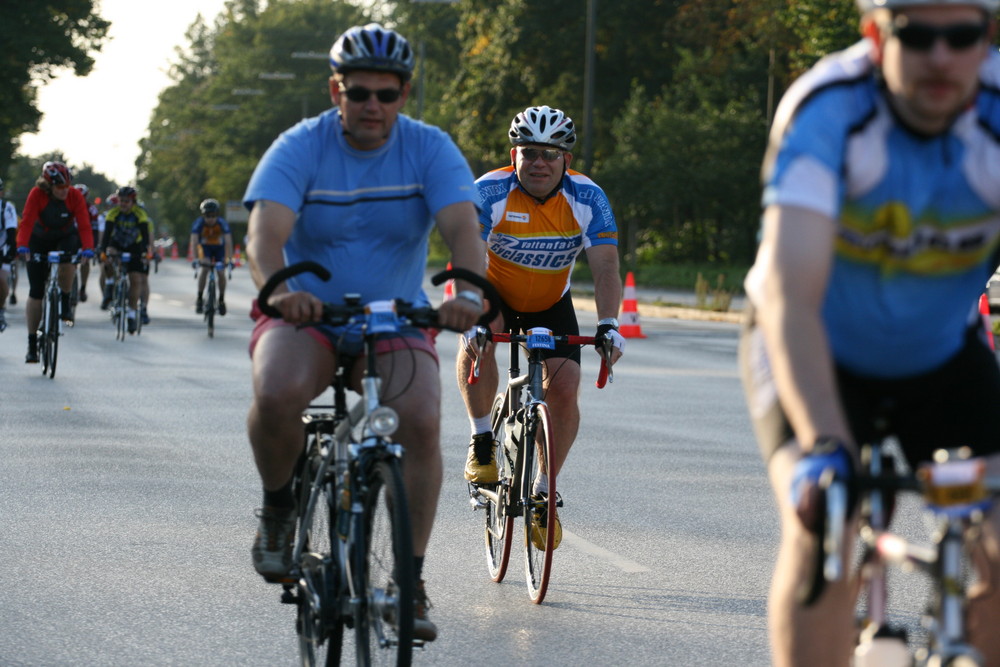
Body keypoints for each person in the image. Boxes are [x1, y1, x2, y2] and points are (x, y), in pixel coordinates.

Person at [738, 1, 1000, 665]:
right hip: (814, 346)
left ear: (987, 38)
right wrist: (825, 442)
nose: (940, 56)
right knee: (823, 525)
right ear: (874, 34)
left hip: (938, 352)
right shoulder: (829, 110)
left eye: (961, 34)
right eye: (917, 35)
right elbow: (788, 293)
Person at [242, 23, 485, 641]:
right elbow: (263, 239)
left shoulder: (429, 148)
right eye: (359, 93)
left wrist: (469, 294)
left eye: (387, 93)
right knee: (275, 394)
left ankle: (411, 576)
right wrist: (283, 293)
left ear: (404, 94)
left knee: (422, 418)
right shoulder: (300, 147)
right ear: (336, 92)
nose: (372, 105)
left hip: (395, 316)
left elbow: (463, 231)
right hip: (308, 314)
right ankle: (278, 504)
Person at [455, 105, 625, 550]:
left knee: (566, 386)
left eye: (550, 154)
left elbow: (606, 266)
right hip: (494, 292)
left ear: (566, 160)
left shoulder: (588, 198)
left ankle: (543, 493)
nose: (539, 163)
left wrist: (608, 324)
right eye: (529, 152)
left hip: (551, 302)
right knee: (480, 342)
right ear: (514, 156)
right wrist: (470, 312)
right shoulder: (488, 191)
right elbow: (466, 255)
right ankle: (482, 441)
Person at [15, 162, 94, 361]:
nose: (64, 191)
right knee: (36, 292)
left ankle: (66, 301)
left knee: (68, 263)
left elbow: (84, 224)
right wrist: (22, 245)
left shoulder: (74, 196)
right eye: (60, 188)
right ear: (48, 186)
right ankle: (32, 344)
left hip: (64, 236)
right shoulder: (36, 194)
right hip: (39, 238)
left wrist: (88, 249)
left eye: (67, 186)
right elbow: (26, 221)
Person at [100, 186, 153, 333]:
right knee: (108, 254)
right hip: (116, 243)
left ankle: (131, 314)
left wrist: (145, 253)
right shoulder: (113, 213)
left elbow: (145, 237)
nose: (123, 204)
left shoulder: (140, 214)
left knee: (135, 279)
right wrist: (103, 250)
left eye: (126, 201)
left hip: (134, 246)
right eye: (121, 201)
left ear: (133, 202)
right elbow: (107, 235)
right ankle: (110, 284)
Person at [189, 198, 233, 315]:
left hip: (219, 249)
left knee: (221, 273)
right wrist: (195, 259)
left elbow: (228, 242)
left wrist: (229, 259)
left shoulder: (222, 223)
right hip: (205, 248)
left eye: (213, 216)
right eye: (208, 216)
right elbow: (194, 241)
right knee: (205, 268)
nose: (210, 219)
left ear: (217, 215)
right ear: (204, 215)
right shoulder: (199, 223)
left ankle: (221, 300)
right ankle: (199, 298)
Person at [74, 183, 100, 303]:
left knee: (85, 262)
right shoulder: (67, 206)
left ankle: (83, 287)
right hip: (71, 237)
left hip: (85, 237)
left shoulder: (92, 210)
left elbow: (94, 231)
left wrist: (91, 247)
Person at [0, 177, 18, 331]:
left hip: (2, 248)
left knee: (1, 279)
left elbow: (11, 233)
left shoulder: (6, 208)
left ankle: (0, 309)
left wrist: (11, 251)